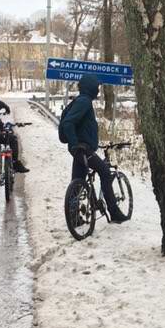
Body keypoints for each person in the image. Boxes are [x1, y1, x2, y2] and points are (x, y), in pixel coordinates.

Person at [60, 74, 128, 223]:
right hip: (83, 149)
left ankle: (74, 218)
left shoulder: (82, 100)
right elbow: (68, 123)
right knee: (105, 172)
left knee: (77, 182)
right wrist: (75, 143)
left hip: (80, 149)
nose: (98, 90)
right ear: (90, 87)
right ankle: (114, 212)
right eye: (97, 87)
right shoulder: (84, 101)